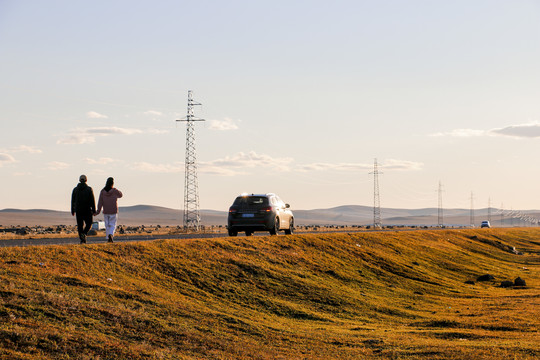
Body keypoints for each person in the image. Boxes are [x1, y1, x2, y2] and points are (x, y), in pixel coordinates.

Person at [96, 177, 123, 243]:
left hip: (106, 211)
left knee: (107, 225)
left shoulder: (102, 191)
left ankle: (108, 237)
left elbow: (100, 202)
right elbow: (120, 195)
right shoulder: (114, 191)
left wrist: (98, 211)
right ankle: (111, 235)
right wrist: (115, 189)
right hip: (113, 211)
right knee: (112, 224)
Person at [71, 174, 96, 244]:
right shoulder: (89, 189)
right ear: (86, 180)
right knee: (89, 224)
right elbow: (92, 201)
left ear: (79, 180)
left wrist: (72, 210)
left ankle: (82, 239)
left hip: (78, 210)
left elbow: (72, 201)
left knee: (80, 225)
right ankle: (84, 234)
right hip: (87, 210)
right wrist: (94, 210)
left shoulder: (75, 189)